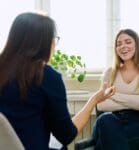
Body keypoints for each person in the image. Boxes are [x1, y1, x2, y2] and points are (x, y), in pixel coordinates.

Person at [0, 12, 115, 150]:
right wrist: (94, 100)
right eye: (54, 39)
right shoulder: (47, 76)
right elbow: (66, 135)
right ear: (44, 42)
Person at [92, 29, 139, 150]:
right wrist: (136, 103)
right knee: (104, 119)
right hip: (113, 120)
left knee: (104, 142)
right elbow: (102, 105)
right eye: (119, 44)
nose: (123, 46)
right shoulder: (110, 72)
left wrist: (113, 95)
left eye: (128, 42)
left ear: (137, 45)